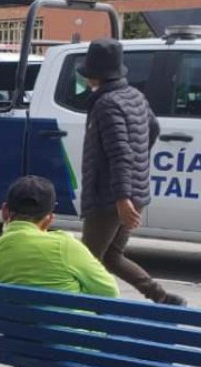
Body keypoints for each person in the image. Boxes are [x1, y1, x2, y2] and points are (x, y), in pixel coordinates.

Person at [0, 176, 180, 367]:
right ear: (49, 219)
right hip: (73, 350)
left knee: (53, 324)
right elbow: (109, 296)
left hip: (18, 348)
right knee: (159, 339)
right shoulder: (64, 246)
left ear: (4, 211)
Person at [76, 38, 185, 307]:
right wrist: (137, 164)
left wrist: (121, 198)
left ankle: (91, 311)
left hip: (110, 197)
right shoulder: (135, 96)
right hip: (134, 192)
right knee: (112, 257)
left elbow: (119, 154)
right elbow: (153, 128)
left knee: (85, 262)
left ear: (95, 74)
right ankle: (162, 297)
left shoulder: (106, 104)